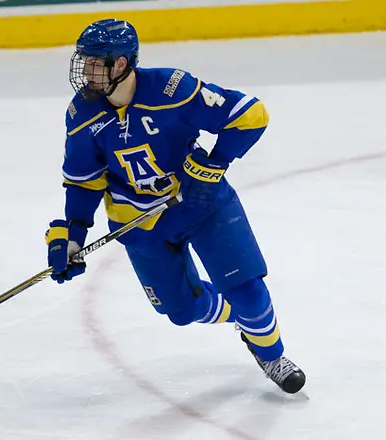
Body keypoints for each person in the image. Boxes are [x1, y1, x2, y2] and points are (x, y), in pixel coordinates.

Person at [44, 18, 306, 394]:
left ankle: (272, 354)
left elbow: (250, 115)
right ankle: (245, 320)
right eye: (83, 61)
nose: (85, 72)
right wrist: (72, 234)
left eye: (94, 62)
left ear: (121, 64)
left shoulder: (173, 88)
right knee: (182, 312)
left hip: (202, 204)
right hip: (139, 225)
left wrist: (213, 164)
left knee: (247, 290)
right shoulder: (82, 114)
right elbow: (85, 181)